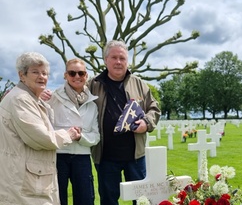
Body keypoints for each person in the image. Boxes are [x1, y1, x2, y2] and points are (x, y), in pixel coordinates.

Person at [0, 52, 81, 205]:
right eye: (35, 72)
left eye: (44, 73)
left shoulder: (31, 98)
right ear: (22, 75)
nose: (42, 76)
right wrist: (68, 134)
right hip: (24, 184)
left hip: (29, 180)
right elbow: (40, 137)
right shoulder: (20, 99)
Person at [88, 40, 161, 205]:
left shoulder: (139, 84)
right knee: (108, 200)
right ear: (106, 60)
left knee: (141, 200)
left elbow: (154, 109)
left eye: (122, 58)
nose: (118, 62)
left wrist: (146, 123)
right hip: (106, 156)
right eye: (114, 57)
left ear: (127, 61)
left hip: (135, 156)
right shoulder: (93, 84)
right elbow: (76, 95)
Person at [47, 58, 100, 205]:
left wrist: (80, 137)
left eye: (81, 73)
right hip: (58, 156)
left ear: (86, 75)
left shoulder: (92, 105)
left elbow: (95, 136)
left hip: (82, 157)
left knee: (85, 199)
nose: (77, 77)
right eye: (72, 73)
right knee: (57, 200)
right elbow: (45, 128)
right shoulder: (52, 98)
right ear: (65, 75)